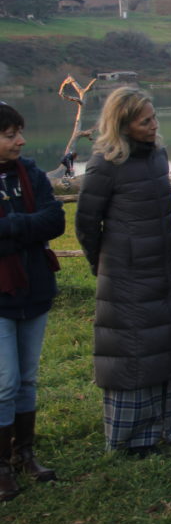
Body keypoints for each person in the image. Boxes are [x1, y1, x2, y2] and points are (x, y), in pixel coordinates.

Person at [75, 88, 171, 458]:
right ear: (122, 124)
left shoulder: (158, 157)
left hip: (165, 267)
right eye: (145, 121)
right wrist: (106, 264)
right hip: (127, 275)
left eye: (154, 117)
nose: (154, 125)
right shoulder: (104, 164)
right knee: (133, 353)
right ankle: (134, 438)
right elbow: (85, 223)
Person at [0, 103, 64, 499]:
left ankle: (25, 453)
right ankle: (1, 465)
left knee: (27, 379)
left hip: (34, 291)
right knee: (4, 383)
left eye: (19, 132)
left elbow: (54, 221)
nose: (20, 140)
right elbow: (39, 223)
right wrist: (27, 227)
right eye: (10, 134)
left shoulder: (32, 175)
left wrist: (10, 227)